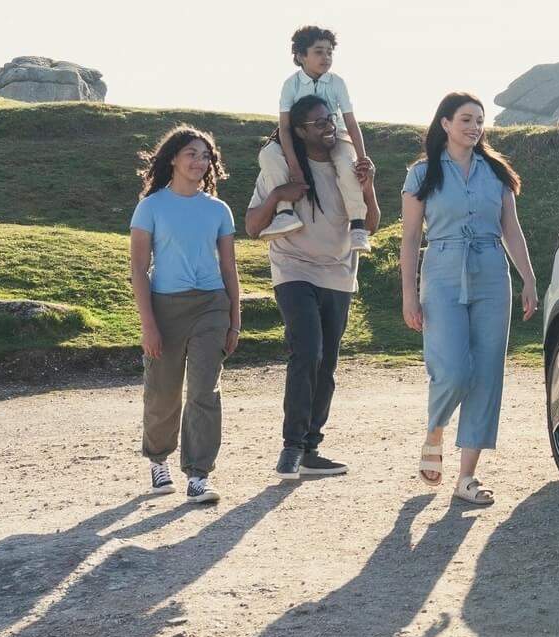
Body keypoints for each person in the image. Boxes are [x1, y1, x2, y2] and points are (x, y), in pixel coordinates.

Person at [399, 92, 538, 506]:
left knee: (488, 373)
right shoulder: (422, 174)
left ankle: (467, 477)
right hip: (441, 272)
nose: (474, 127)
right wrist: (409, 294)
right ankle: (436, 429)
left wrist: (529, 279)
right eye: (465, 119)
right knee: (455, 371)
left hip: (493, 274)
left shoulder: (496, 173)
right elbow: (409, 239)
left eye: (480, 121)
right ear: (445, 123)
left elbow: (511, 230)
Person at [245, 95, 381, 480]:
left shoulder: (346, 164)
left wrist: (368, 187)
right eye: (319, 123)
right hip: (294, 268)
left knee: (328, 363)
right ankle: (291, 447)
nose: (328, 128)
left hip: (338, 273)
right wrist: (277, 197)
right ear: (298, 131)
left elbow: (370, 223)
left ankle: (310, 448)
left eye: (330, 120)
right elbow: (253, 227)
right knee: (308, 350)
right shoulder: (283, 168)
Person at [129, 124, 241, 504]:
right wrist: (149, 324)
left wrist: (235, 320)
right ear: (173, 158)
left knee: (204, 390)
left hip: (211, 304)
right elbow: (139, 269)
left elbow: (229, 269)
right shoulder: (151, 207)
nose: (199, 161)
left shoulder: (218, 210)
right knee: (163, 393)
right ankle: (158, 459)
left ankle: (199, 474)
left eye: (205, 155)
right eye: (192, 153)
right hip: (165, 307)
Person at [256, 24, 373, 254]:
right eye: (319, 51)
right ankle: (285, 212)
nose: (326, 57)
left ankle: (358, 226)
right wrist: (293, 165)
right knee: (268, 154)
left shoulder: (337, 82)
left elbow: (350, 122)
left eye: (330, 52)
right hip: (299, 135)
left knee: (346, 165)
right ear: (301, 56)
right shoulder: (291, 84)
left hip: (334, 134)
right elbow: (285, 127)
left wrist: (362, 157)